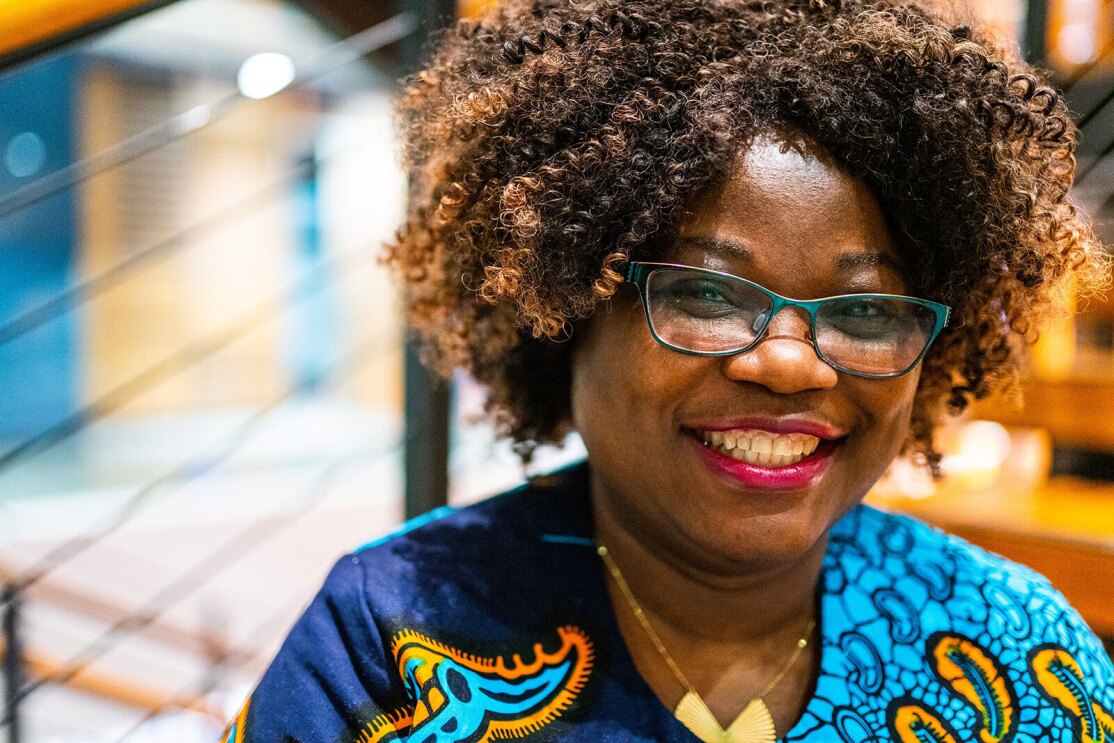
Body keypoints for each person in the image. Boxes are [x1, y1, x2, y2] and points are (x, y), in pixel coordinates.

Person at [221, 0, 1114, 741]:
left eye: (867, 310)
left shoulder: (1019, 653)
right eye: (708, 296)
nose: (788, 366)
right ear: (565, 310)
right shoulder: (385, 643)